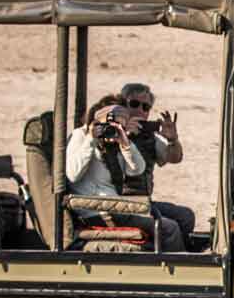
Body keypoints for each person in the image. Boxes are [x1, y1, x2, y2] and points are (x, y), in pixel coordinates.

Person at [66, 94, 186, 252]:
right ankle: (175, 270)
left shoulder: (114, 142)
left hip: (116, 206)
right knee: (170, 229)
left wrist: (125, 142)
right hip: (97, 210)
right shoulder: (80, 136)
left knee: (182, 219)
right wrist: (91, 138)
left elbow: (136, 169)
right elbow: (73, 174)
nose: (113, 126)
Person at [120, 82, 196, 240]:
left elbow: (174, 158)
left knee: (186, 217)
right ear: (122, 105)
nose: (140, 110)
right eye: (134, 104)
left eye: (145, 107)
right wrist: (124, 135)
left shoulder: (149, 138)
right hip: (120, 202)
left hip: (143, 202)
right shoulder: (112, 133)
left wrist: (173, 140)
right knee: (171, 227)